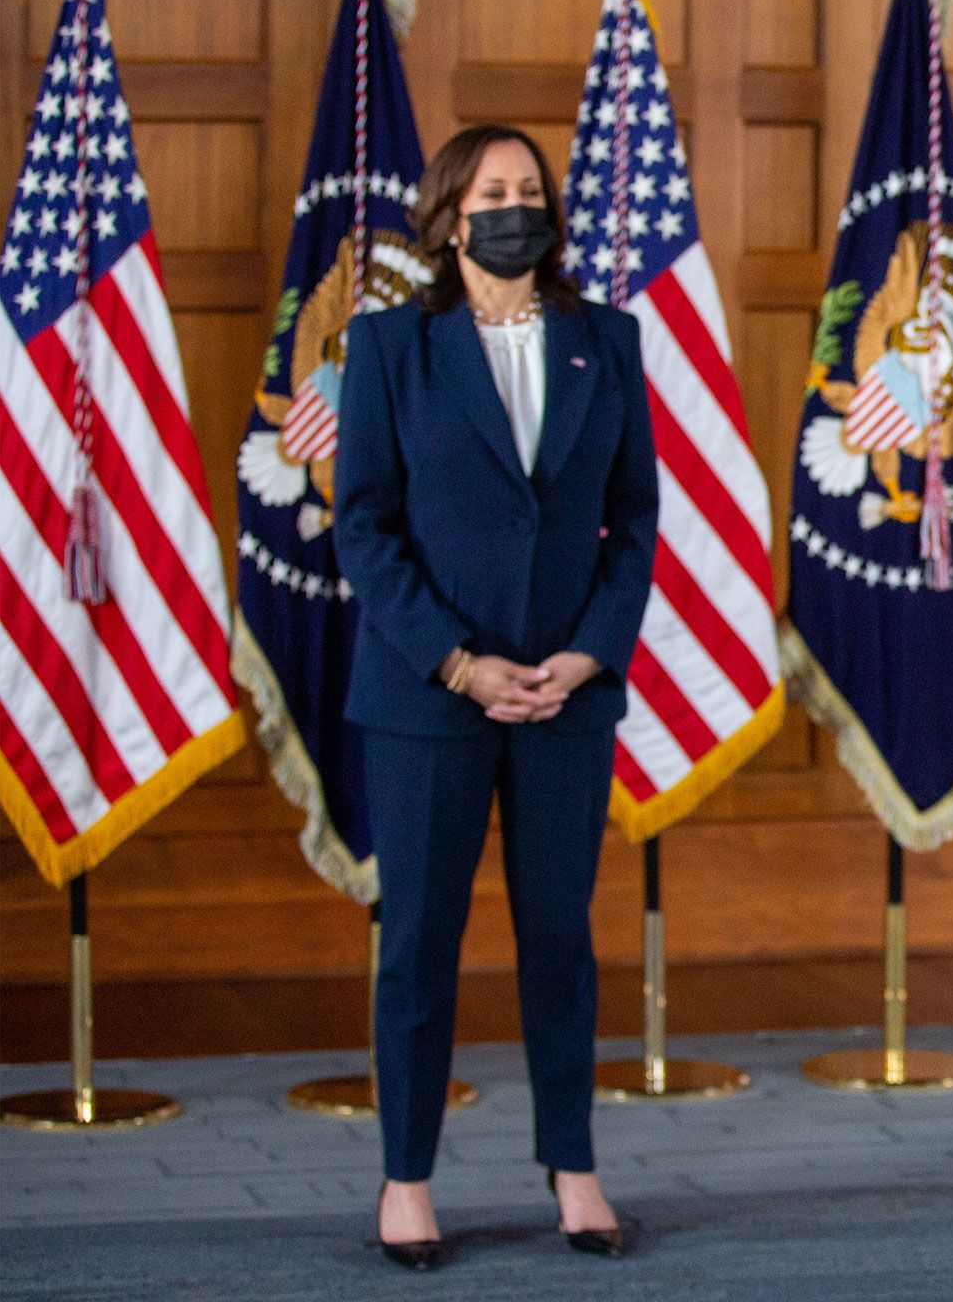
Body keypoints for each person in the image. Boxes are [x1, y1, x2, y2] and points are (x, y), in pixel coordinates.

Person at [335, 125, 657, 1270]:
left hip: (567, 694)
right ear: (449, 216)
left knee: (560, 941)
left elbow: (636, 520)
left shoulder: (605, 340)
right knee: (419, 944)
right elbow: (363, 528)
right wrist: (459, 661)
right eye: (493, 191)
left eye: (531, 189)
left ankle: (573, 1168)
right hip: (429, 697)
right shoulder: (387, 348)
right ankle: (407, 1181)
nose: (516, 205)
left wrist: (588, 653)